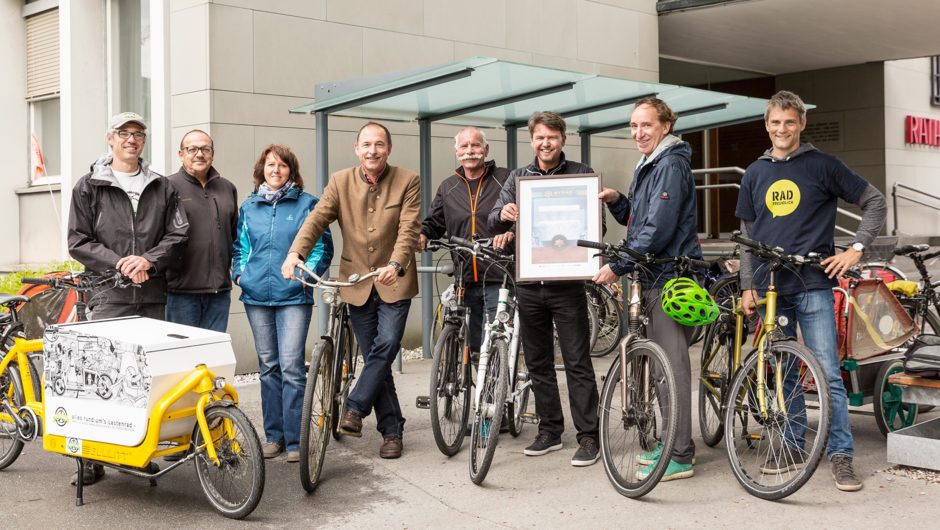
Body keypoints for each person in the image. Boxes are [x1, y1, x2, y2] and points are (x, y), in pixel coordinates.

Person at [736, 90, 887, 492]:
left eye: (789, 122)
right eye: (775, 122)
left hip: (814, 283)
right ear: (766, 125)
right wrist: (748, 285)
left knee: (826, 374)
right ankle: (793, 444)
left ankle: (841, 455)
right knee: (783, 371)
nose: (781, 129)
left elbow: (874, 201)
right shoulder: (754, 172)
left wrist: (856, 249)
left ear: (801, 124)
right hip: (771, 289)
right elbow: (747, 236)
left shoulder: (823, 165)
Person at [281, 122, 420, 459]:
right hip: (355, 282)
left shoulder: (408, 180)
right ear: (357, 149)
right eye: (366, 145)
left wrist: (397, 264)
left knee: (386, 345)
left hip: (393, 280)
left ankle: (355, 406)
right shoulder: (340, 181)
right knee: (377, 356)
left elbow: (409, 228)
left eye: (379, 145)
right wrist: (295, 254)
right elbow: (316, 219)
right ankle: (392, 432)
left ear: (389, 148)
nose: (373, 151)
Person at [67, 111, 189, 485]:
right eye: (124, 133)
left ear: (144, 140)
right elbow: (78, 241)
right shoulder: (89, 186)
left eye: (138, 133)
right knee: (101, 377)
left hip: (151, 294)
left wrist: (147, 261)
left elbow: (178, 234)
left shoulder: (162, 186)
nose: (131, 139)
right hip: (108, 294)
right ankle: (91, 458)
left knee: (143, 382)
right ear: (110, 138)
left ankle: (136, 452)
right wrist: (120, 262)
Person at [594, 97, 702, 481]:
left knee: (671, 367)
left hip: (669, 277)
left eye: (646, 125)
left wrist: (618, 265)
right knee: (660, 366)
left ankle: (681, 455)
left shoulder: (670, 163)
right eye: (634, 126)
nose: (639, 132)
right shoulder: (651, 163)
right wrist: (619, 202)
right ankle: (672, 442)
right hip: (655, 275)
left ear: (665, 126)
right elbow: (641, 221)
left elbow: (658, 230)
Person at [488, 111, 600, 467]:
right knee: (537, 362)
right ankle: (550, 431)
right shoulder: (518, 178)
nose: (546, 143)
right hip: (529, 283)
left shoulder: (581, 174)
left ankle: (588, 436)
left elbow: (596, 228)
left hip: (567, 284)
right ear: (531, 140)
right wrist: (504, 214)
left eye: (552, 137)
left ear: (563, 139)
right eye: (539, 137)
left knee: (577, 361)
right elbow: (491, 219)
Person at [232, 144, 333, 463]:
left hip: (294, 296)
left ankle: (295, 440)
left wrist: (307, 275)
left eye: (282, 166)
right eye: (270, 165)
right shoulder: (248, 207)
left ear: (292, 171)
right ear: (262, 169)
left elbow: (322, 248)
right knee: (268, 367)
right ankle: (273, 437)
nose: (275, 170)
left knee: (291, 367)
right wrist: (240, 276)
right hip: (256, 296)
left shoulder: (308, 204)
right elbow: (240, 247)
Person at [418, 126, 514, 357]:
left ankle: (498, 387)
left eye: (475, 145)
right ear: (457, 152)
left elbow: (522, 214)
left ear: (486, 149)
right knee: (472, 346)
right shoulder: (448, 187)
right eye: (464, 146)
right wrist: (422, 234)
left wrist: (512, 231)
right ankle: (480, 391)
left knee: (495, 341)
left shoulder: (505, 179)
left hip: (498, 275)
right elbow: (434, 222)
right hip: (465, 279)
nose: (470, 151)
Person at [166, 130, 238, 332]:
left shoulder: (227, 188)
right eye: (192, 149)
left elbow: (234, 236)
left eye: (205, 149)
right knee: (183, 357)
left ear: (212, 154)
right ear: (181, 154)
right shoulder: (167, 187)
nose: (199, 154)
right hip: (180, 292)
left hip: (219, 292)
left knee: (213, 357)